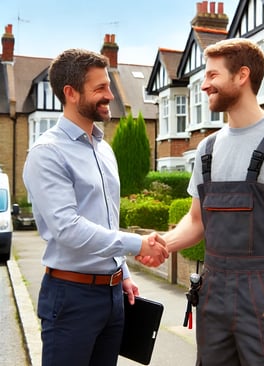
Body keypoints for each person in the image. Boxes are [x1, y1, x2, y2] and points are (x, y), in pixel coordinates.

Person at [140, 38, 264, 365]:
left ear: (242, 76)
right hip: (214, 291)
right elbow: (197, 220)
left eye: (212, 76)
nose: (204, 86)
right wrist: (163, 243)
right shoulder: (207, 149)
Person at [22, 48, 169, 366]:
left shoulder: (104, 149)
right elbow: (68, 229)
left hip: (114, 295)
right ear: (71, 93)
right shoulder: (47, 153)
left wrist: (122, 270)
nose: (110, 94)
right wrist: (137, 244)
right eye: (100, 88)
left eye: (109, 86)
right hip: (71, 297)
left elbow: (104, 219)